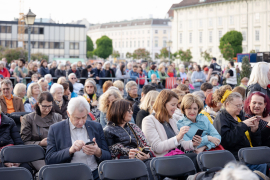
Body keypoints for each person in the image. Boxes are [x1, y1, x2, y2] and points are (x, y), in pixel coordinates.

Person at [45, 96, 111, 180]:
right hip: (69, 175)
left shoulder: (96, 127)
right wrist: (70, 150)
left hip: (95, 173)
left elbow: (108, 156)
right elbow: (49, 159)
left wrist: (98, 151)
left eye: (84, 117)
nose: (81, 122)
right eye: (77, 118)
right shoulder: (56, 129)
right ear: (68, 114)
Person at [142, 90, 201, 173]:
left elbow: (181, 142)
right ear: (162, 104)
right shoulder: (148, 120)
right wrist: (177, 137)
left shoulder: (171, 119)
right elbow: (157, 147)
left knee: (197, 157)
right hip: (162, 160)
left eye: (176, 105)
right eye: (173, 105)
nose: (175, 108)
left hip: (176, 157)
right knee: (193, 159)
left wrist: (192, 143)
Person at [213, 89, 268, 174]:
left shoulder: (240, 115)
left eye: (241, 105)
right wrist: (243, 125)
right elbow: (226, 141)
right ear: (227, 104)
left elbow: (256, 143)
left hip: (248, 154)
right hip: (234, 159)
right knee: (261, 165)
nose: (240, 108)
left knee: (264, 163)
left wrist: (254, 131)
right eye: (237, 106)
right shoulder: (221, 118)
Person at [103, 99, 155, 179]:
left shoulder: (133, 126)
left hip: (139, 161)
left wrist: (147, 155)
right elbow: (111, 156)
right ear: (119, 111)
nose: (132, 112)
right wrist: (129, 157)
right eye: (128, 110)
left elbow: (146, 145)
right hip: (122, 166)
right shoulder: (108, 130)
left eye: (131, 110)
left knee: (151, 165)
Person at [21, 92, 62, 170]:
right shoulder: (28, 118)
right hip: (36, 153)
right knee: (48, 171)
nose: (47, 109)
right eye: (44, 106)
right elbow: (24, 142)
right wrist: (40, 143)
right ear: (38, 104)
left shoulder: (57, 117)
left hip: (55, 151)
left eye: (50, 106)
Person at [0, 104, 32, 172]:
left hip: (13, 155)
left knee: (26, 168)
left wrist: (18, 160)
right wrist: (3, 160)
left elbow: (19, 144)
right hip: (2, 159)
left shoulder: (9, 121)